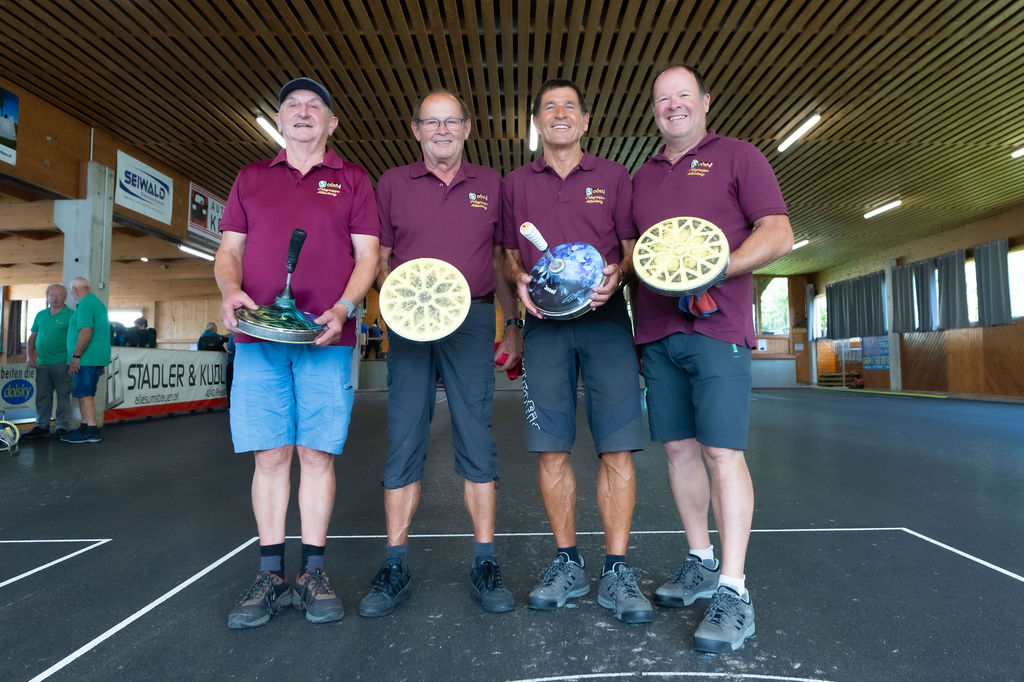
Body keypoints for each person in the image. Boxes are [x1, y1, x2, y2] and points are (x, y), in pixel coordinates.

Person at [631, 65, 793, 653]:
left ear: (704, 101)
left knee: (721, 451)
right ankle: (700, 560)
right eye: (662, 98)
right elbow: (635, 254)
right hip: (656, 331)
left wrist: (717, 269)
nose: (673, 105)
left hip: (717, 327)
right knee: (678, 450)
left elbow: (778, 233)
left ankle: (734, 589)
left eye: (683, 95)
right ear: (654, 110)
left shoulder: (739, 156)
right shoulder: (641, 177)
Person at [215, 76, 379, 629]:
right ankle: (270, 574)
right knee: (270, 456)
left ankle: (312, 571)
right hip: (259, 338)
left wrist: (345, 308)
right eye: (292, 106)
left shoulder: (353, 179)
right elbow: (228, 251)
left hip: (325, 338)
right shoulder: (250, 178)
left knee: (316, 455)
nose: (303, 112)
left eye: (315, 106)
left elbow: (368, 257)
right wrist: (230, 290)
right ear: (280, 120)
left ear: (332, 123)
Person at [358, 90, 522, 618]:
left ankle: (485, 561)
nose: (442, 130)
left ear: (468, 128)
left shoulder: (492, 184)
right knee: (405, 435)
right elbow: (380, 258)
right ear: (416, 130)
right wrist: (403, 300)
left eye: (452, 121)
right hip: (410, 323)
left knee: (476, 435)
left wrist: (512, 324)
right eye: (432, 122)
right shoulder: (392, 183)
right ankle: (395, 564)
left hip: (471, 319)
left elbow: (500, 261)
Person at [502, 79, 651, 624]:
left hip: (606, 324)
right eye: (549, 107)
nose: (560, 113)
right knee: (551, 450)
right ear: (537, 122)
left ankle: (617, 569)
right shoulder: (515, 183)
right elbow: (506, 254)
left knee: (618, 448)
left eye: (569, 106)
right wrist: (518, 279)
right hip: (544, 328)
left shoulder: (613, 176)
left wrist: (619, 275)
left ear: (585, 120)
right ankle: (567, 562)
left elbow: (632, 250)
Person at [60, 277, 111, 444]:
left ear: (75, 290)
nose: (72, 294)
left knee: (85, 394)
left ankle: (92, 430)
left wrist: (76, 356)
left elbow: (86, 332)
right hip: (94, 358)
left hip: (86, 358)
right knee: (84, 394)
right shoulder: (97, 304)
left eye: (71, 291)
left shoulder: (85, 305)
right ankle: (85, 426)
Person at [23, 284, 73, 438]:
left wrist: (74, 359)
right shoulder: (40, 315)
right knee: (42, 396)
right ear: (47, 297)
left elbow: (77, 338)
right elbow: (32, 337)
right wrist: (30, 356)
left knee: (63, 395)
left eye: (58, 295)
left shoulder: (72, 315)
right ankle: (41, 426)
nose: (55, 298)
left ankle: (62, 426)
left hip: (62, 362)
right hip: (42, 362)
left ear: (65, 297)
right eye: (52, 295)